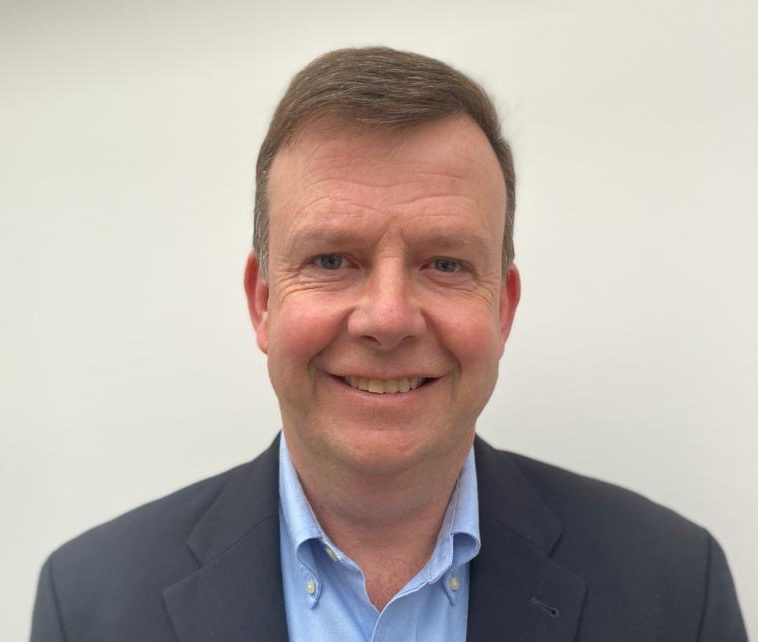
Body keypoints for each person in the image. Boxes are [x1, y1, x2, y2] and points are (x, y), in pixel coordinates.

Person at [30, 46, 747, 642]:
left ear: (502, 309)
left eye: (445, 263)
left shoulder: (676, 592)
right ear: (263, 302)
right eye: (332, 260)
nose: (388, 317)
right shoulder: (92, 605)